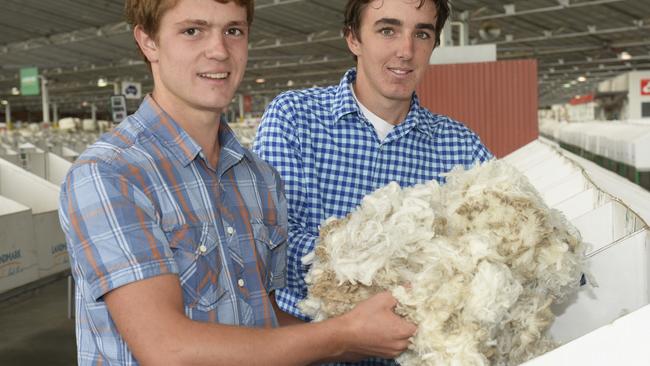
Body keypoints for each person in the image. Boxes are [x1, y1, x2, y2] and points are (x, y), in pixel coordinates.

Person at [58, 0, 417, 365]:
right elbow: (168, 350)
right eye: (192, 31)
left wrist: (390, 335)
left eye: (233, 31)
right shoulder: (112, 175)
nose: (219, 51)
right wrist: (343, 334)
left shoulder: (259, 179)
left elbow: (262, 320)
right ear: (148, 41)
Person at [253, 0, 494, 364]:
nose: (406, 51)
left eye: (422, 33)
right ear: (353, 38)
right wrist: (421, 272)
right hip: (309, 352)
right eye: (387, 30)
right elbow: (273, 245)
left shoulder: (460, 146)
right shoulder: (295, 119)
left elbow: (498, 251)